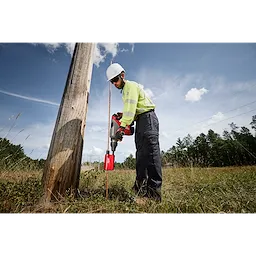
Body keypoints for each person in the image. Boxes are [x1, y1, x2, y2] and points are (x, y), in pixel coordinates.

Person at [106, 63, 162, 203]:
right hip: (140, 122)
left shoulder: (130, 86)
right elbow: (131, 110)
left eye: (115, 80)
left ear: (122, 76)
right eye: (112, 81)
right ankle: (140, 190)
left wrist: (121, 128)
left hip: (147, 119)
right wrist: (122, 115)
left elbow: (131, 111)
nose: (114, 83)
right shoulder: (125, 91)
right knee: (141, 158)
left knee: (151, 156)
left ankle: (153, 196)